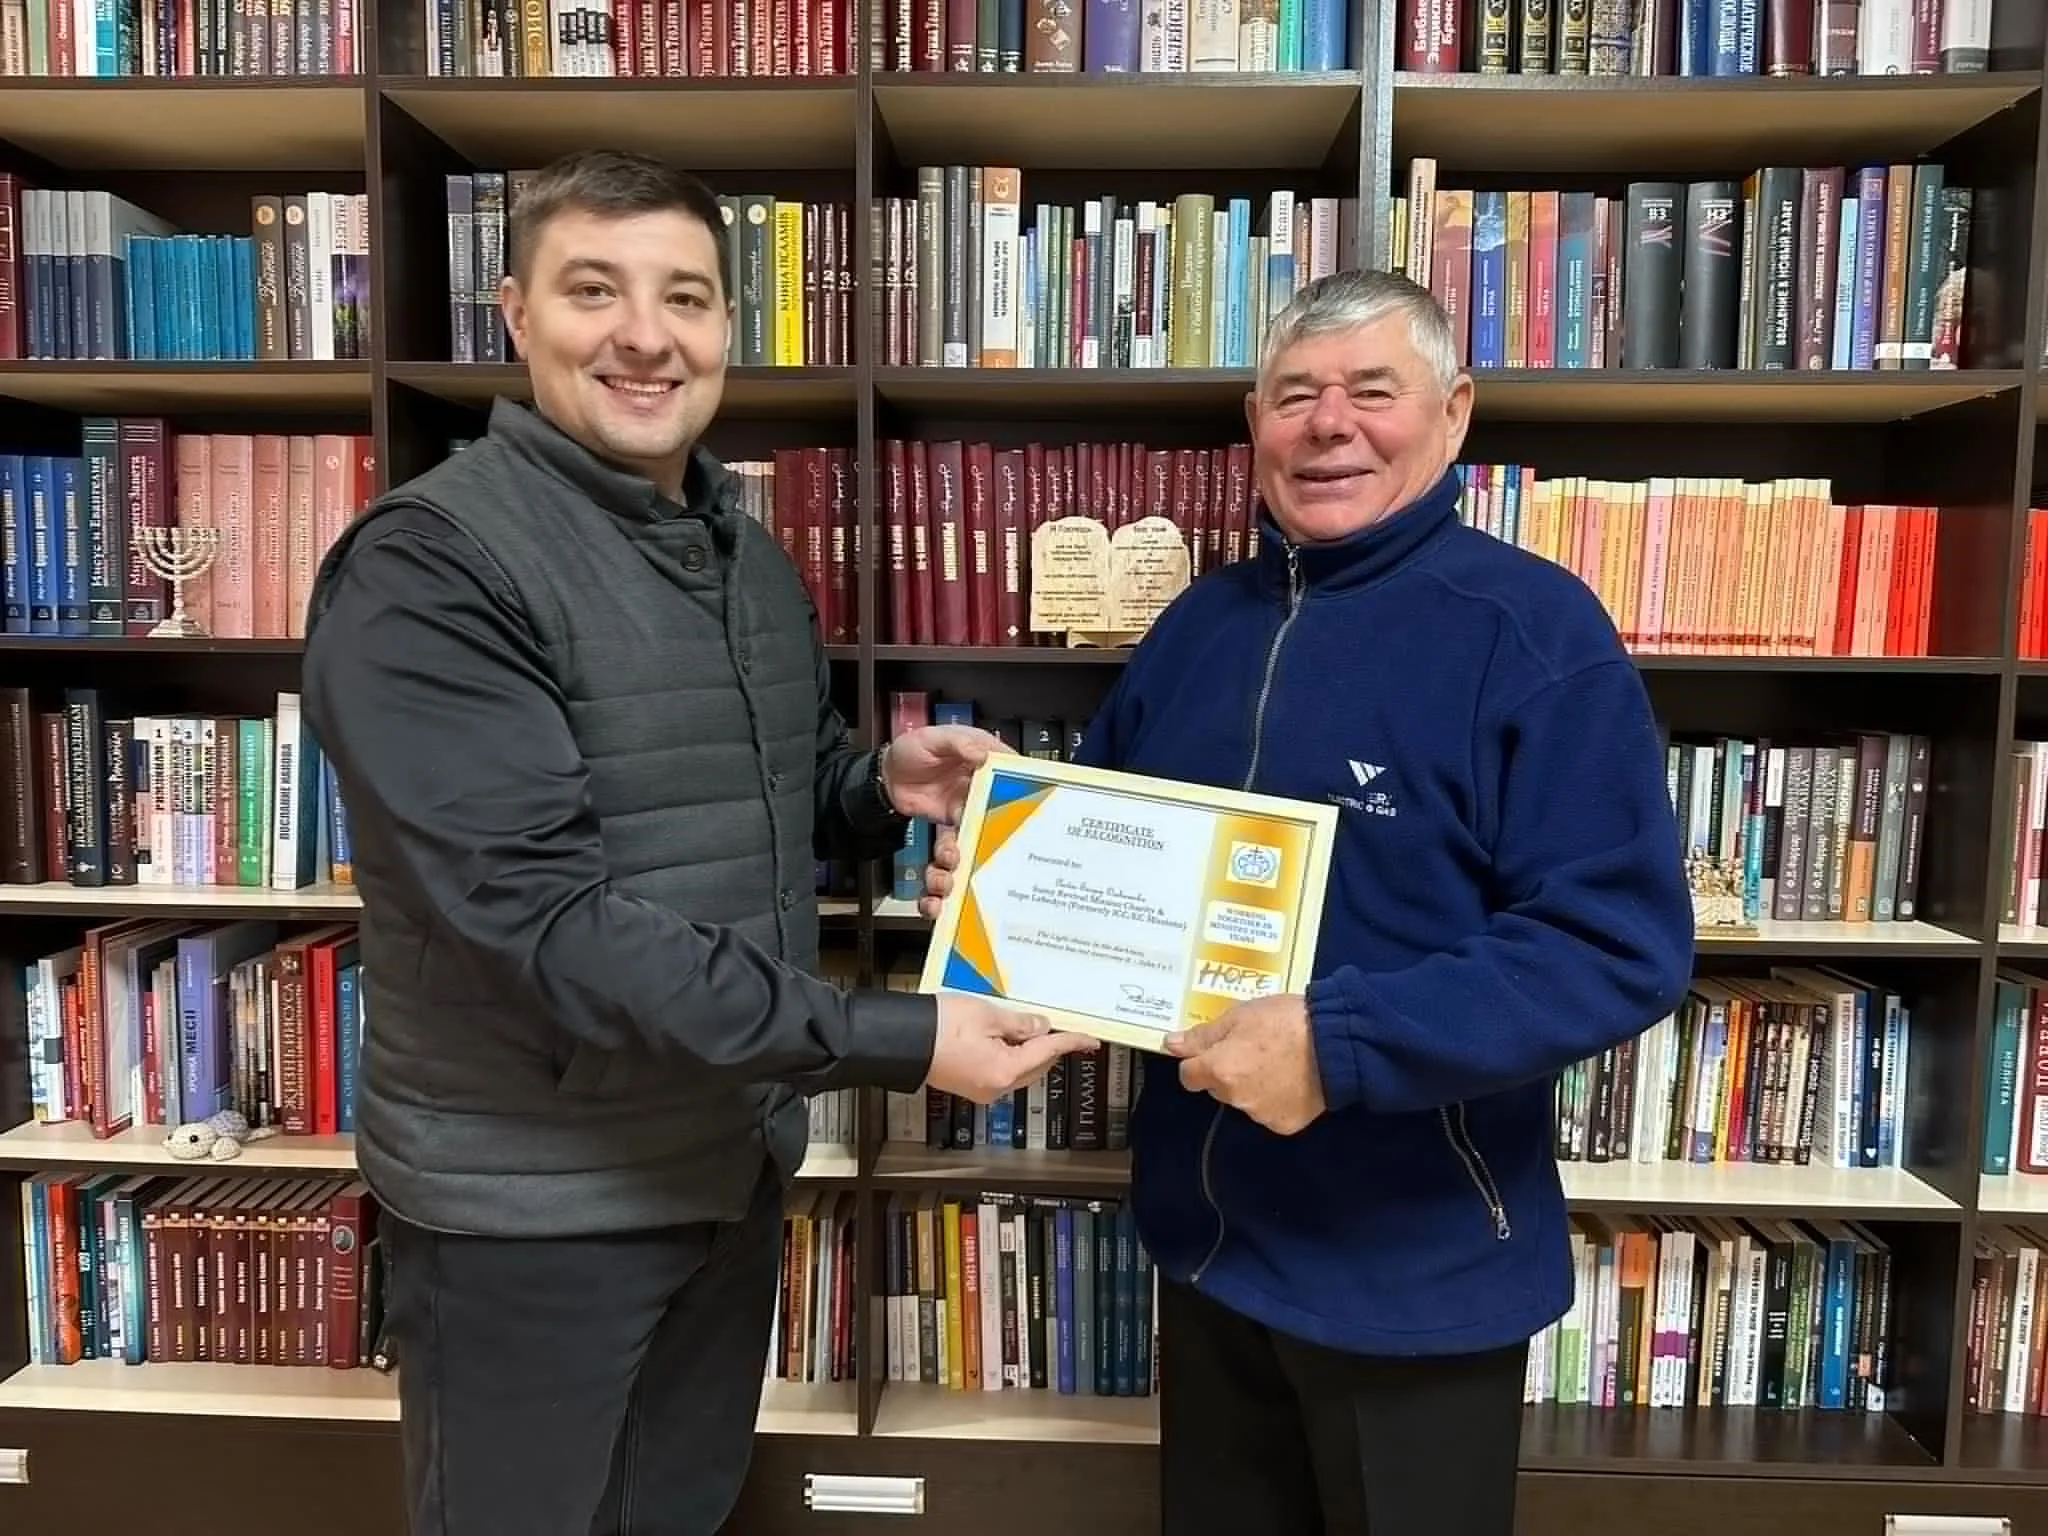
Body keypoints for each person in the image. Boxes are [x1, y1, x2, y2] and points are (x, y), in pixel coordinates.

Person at [300, 149, 1089, 1536]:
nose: (645, 336)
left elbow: (747, 796)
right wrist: (899, 1037)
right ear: (515, 313)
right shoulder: (431, 566)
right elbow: (542, 926)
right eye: (592, 290)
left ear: (730, 323)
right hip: (532, 1214)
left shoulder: (740, 549)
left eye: (684, 296)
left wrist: (875, 787)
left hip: (721, 1171)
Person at [921, 268, 1696, 1533]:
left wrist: (1338, 1047)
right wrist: (1001, 895)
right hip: (1208, 1257)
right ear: (1254, 424)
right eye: (1295, 396)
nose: (1329, 423)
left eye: (1371, 392)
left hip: (1415, 1277)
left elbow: (1615, 947)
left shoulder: (1534, 633)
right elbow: (1103, 877)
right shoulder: (1194, 627)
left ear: (1451, 413)